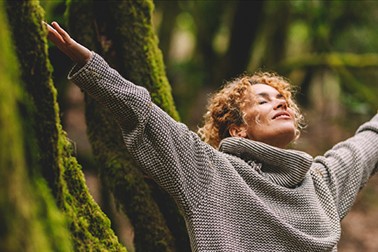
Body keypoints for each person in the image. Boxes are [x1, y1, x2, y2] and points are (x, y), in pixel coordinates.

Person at [46, 21, 378, 251]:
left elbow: (368, 142)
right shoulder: (210, 172)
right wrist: (89, 63)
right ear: (237, 128)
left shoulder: (321, 182)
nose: (279, 101)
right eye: (263, 100)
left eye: (283, 100)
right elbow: (144, 113)